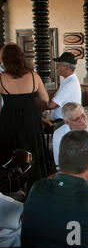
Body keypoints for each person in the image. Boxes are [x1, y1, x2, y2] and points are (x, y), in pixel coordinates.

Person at [0, 43, 52, 186]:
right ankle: (36, 183)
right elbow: (45, 99)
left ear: (4, 60)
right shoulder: (33, 76)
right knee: (33, 148)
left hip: (9, 120)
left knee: (10, 150)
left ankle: (12, 184)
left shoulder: (1, 78)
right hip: (31, 119)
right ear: (21, 58)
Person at [47, 52, 82, 129]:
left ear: (67, 67)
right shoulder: (68, 80)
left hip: (64, 123)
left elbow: (52, 105)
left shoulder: (70, 84)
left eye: (58, 65)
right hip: (64, 121)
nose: (56, 68)